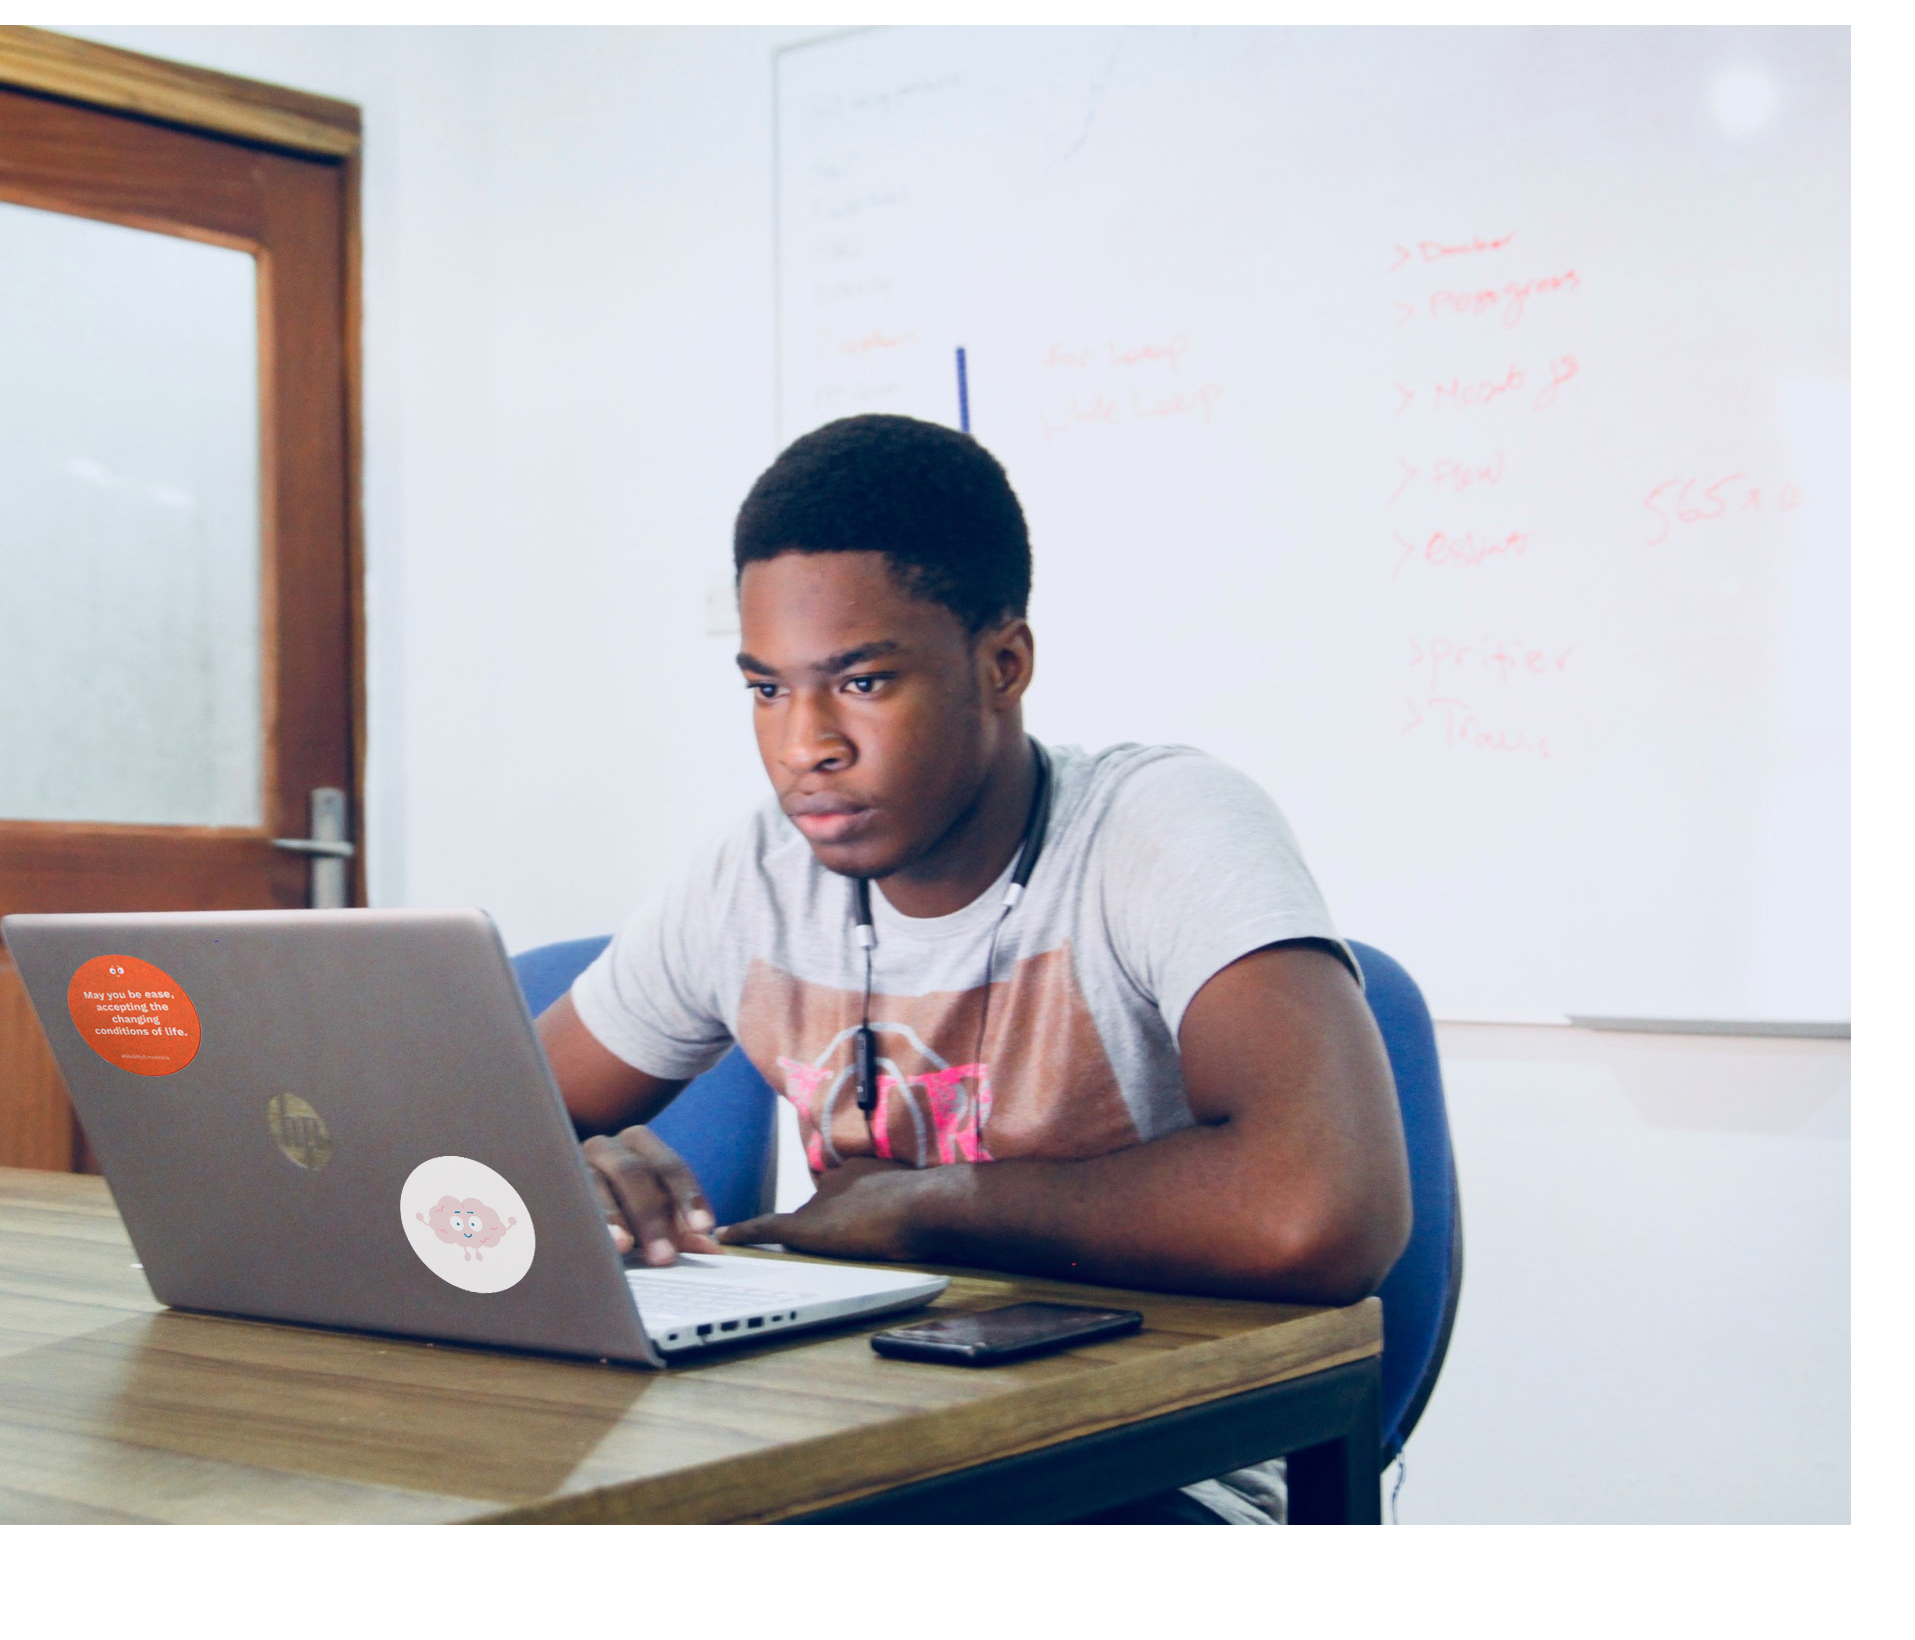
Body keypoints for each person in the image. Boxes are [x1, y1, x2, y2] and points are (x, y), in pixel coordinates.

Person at [534, 413, 1411, 1522]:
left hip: (1154, 1459)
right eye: (765, 689)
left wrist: (925, 1204)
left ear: (1002, 664)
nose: (804, 743)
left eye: (858, 682)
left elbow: (1318, 1209)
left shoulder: (1160, 826)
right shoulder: (751, 872)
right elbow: (463, 1127)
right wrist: (558, 1178)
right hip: (851, 1436)